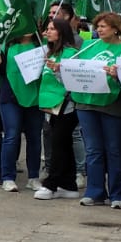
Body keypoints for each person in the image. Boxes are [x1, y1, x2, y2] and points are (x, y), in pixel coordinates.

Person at [72, 12, 121, 209]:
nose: (98, 29)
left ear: (116, 28)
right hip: (86, 103)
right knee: (93, 150)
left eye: (103, 26)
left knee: (114, 149)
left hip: (113, 104)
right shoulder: (88, 46)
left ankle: (117, 194)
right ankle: (95, 191)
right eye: (97, 26)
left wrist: (118, 75)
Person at [34, 17, 83, 200]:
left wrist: (58, 71)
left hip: (67, 106)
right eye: (47, 28)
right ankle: (68, 184)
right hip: (51, 105)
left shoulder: (70, 53)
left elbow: (72, 81)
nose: (48, 32)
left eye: (52, 29)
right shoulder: (50, 52)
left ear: (61, 32)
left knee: (58, 145)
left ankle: (51, 184)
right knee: (63, 144)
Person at [0, 29, 45, 192]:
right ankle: (7, 177)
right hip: (10, 96)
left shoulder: (42, 45)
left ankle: (33, 177)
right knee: (11, 136)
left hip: (35, 97)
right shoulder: (6, 45)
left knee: (34, 137)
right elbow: (0, 71)